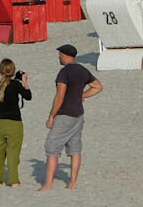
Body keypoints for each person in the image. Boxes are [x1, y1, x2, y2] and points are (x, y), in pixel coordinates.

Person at [39, 43, 102, 192]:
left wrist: (51, 116)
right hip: (78, 114)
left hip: (64, 114)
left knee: (52, 148)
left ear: (65, 55)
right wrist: (82, 95)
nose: (59, 57)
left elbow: (59, 96)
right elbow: (98, 86)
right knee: (75, 149)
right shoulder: (82, 70)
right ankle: (72, 183)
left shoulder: (64, 72)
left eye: (59, 55)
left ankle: (48, 185)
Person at [0, 58, 33, 185]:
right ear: (12, 71)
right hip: (14, 123)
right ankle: (13, 181)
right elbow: (28, 96)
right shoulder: (16, 85)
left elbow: (6, 86)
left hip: (0, 123)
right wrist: (24, 81)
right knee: (13, 153)